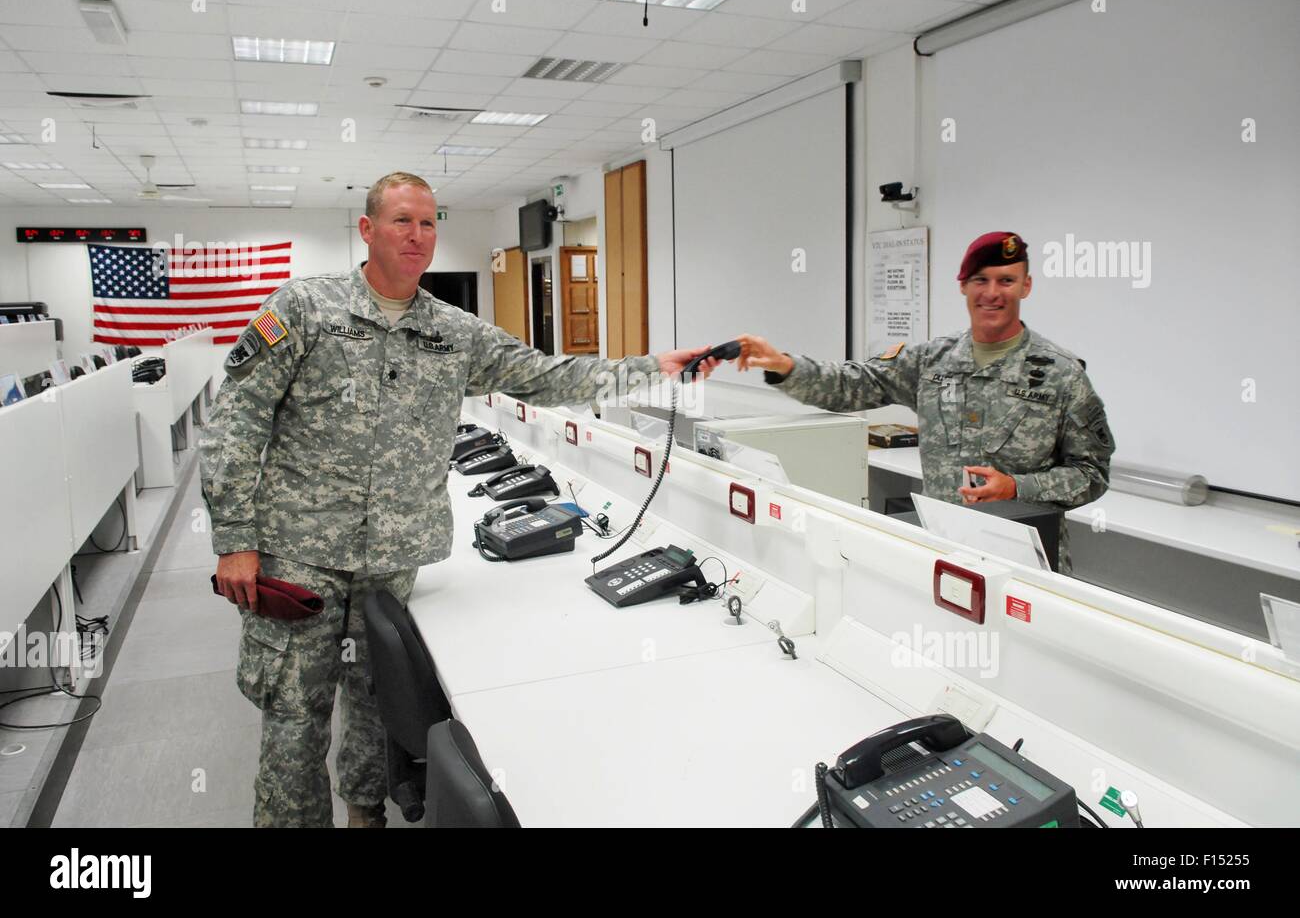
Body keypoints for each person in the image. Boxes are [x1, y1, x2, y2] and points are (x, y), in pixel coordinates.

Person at [200, 172, 719, 827]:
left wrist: (654, 368)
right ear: (367, 230)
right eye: (401, 221)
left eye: (427, 224)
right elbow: (237, 418)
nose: (416, 236)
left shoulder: (454, 333)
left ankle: (365, 817)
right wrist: (234, 539)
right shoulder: (304, 310)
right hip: (298, 558)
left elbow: (550, 375)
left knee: (371, 709)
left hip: (390, 560)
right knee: (293, 724)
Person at [735, 230, 1114, 573]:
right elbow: (853, 385)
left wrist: (1016, 487)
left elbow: (1091, 475)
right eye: (981, 280)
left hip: (1024, 566)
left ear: (1026, 286)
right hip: (941, 551)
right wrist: (785, 366)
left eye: (1006, 281)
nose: (992, 293)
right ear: (963, 286)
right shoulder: (931, 361)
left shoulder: (1061, 374)